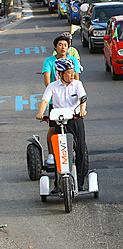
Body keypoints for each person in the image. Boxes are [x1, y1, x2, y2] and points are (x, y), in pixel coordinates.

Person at [36, 58, 88, 191]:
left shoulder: (77, 84)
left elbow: (83, 98)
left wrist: (82, 110)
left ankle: (80, 182)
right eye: (69, 72)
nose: (72, 75)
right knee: (60, 152)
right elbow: (45, 100)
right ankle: (58, 184)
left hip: (75, 119)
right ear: (60, 74)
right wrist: (40, 113)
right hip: (59, 121)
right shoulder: (52, 86)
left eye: (73, 72)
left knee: (80, 149)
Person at [42, 35, 82, 164]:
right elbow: (48, 81)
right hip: (56, 101)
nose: (63, 47)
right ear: (55, 47)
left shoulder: (73, 60)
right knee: (54, 129)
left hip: (71, 102)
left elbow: (76, 79)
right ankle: (51, 154)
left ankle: (74, 152)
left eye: (65, 45)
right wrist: (56, 91)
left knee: (73, 128)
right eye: (60, 45)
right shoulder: (49, 61)